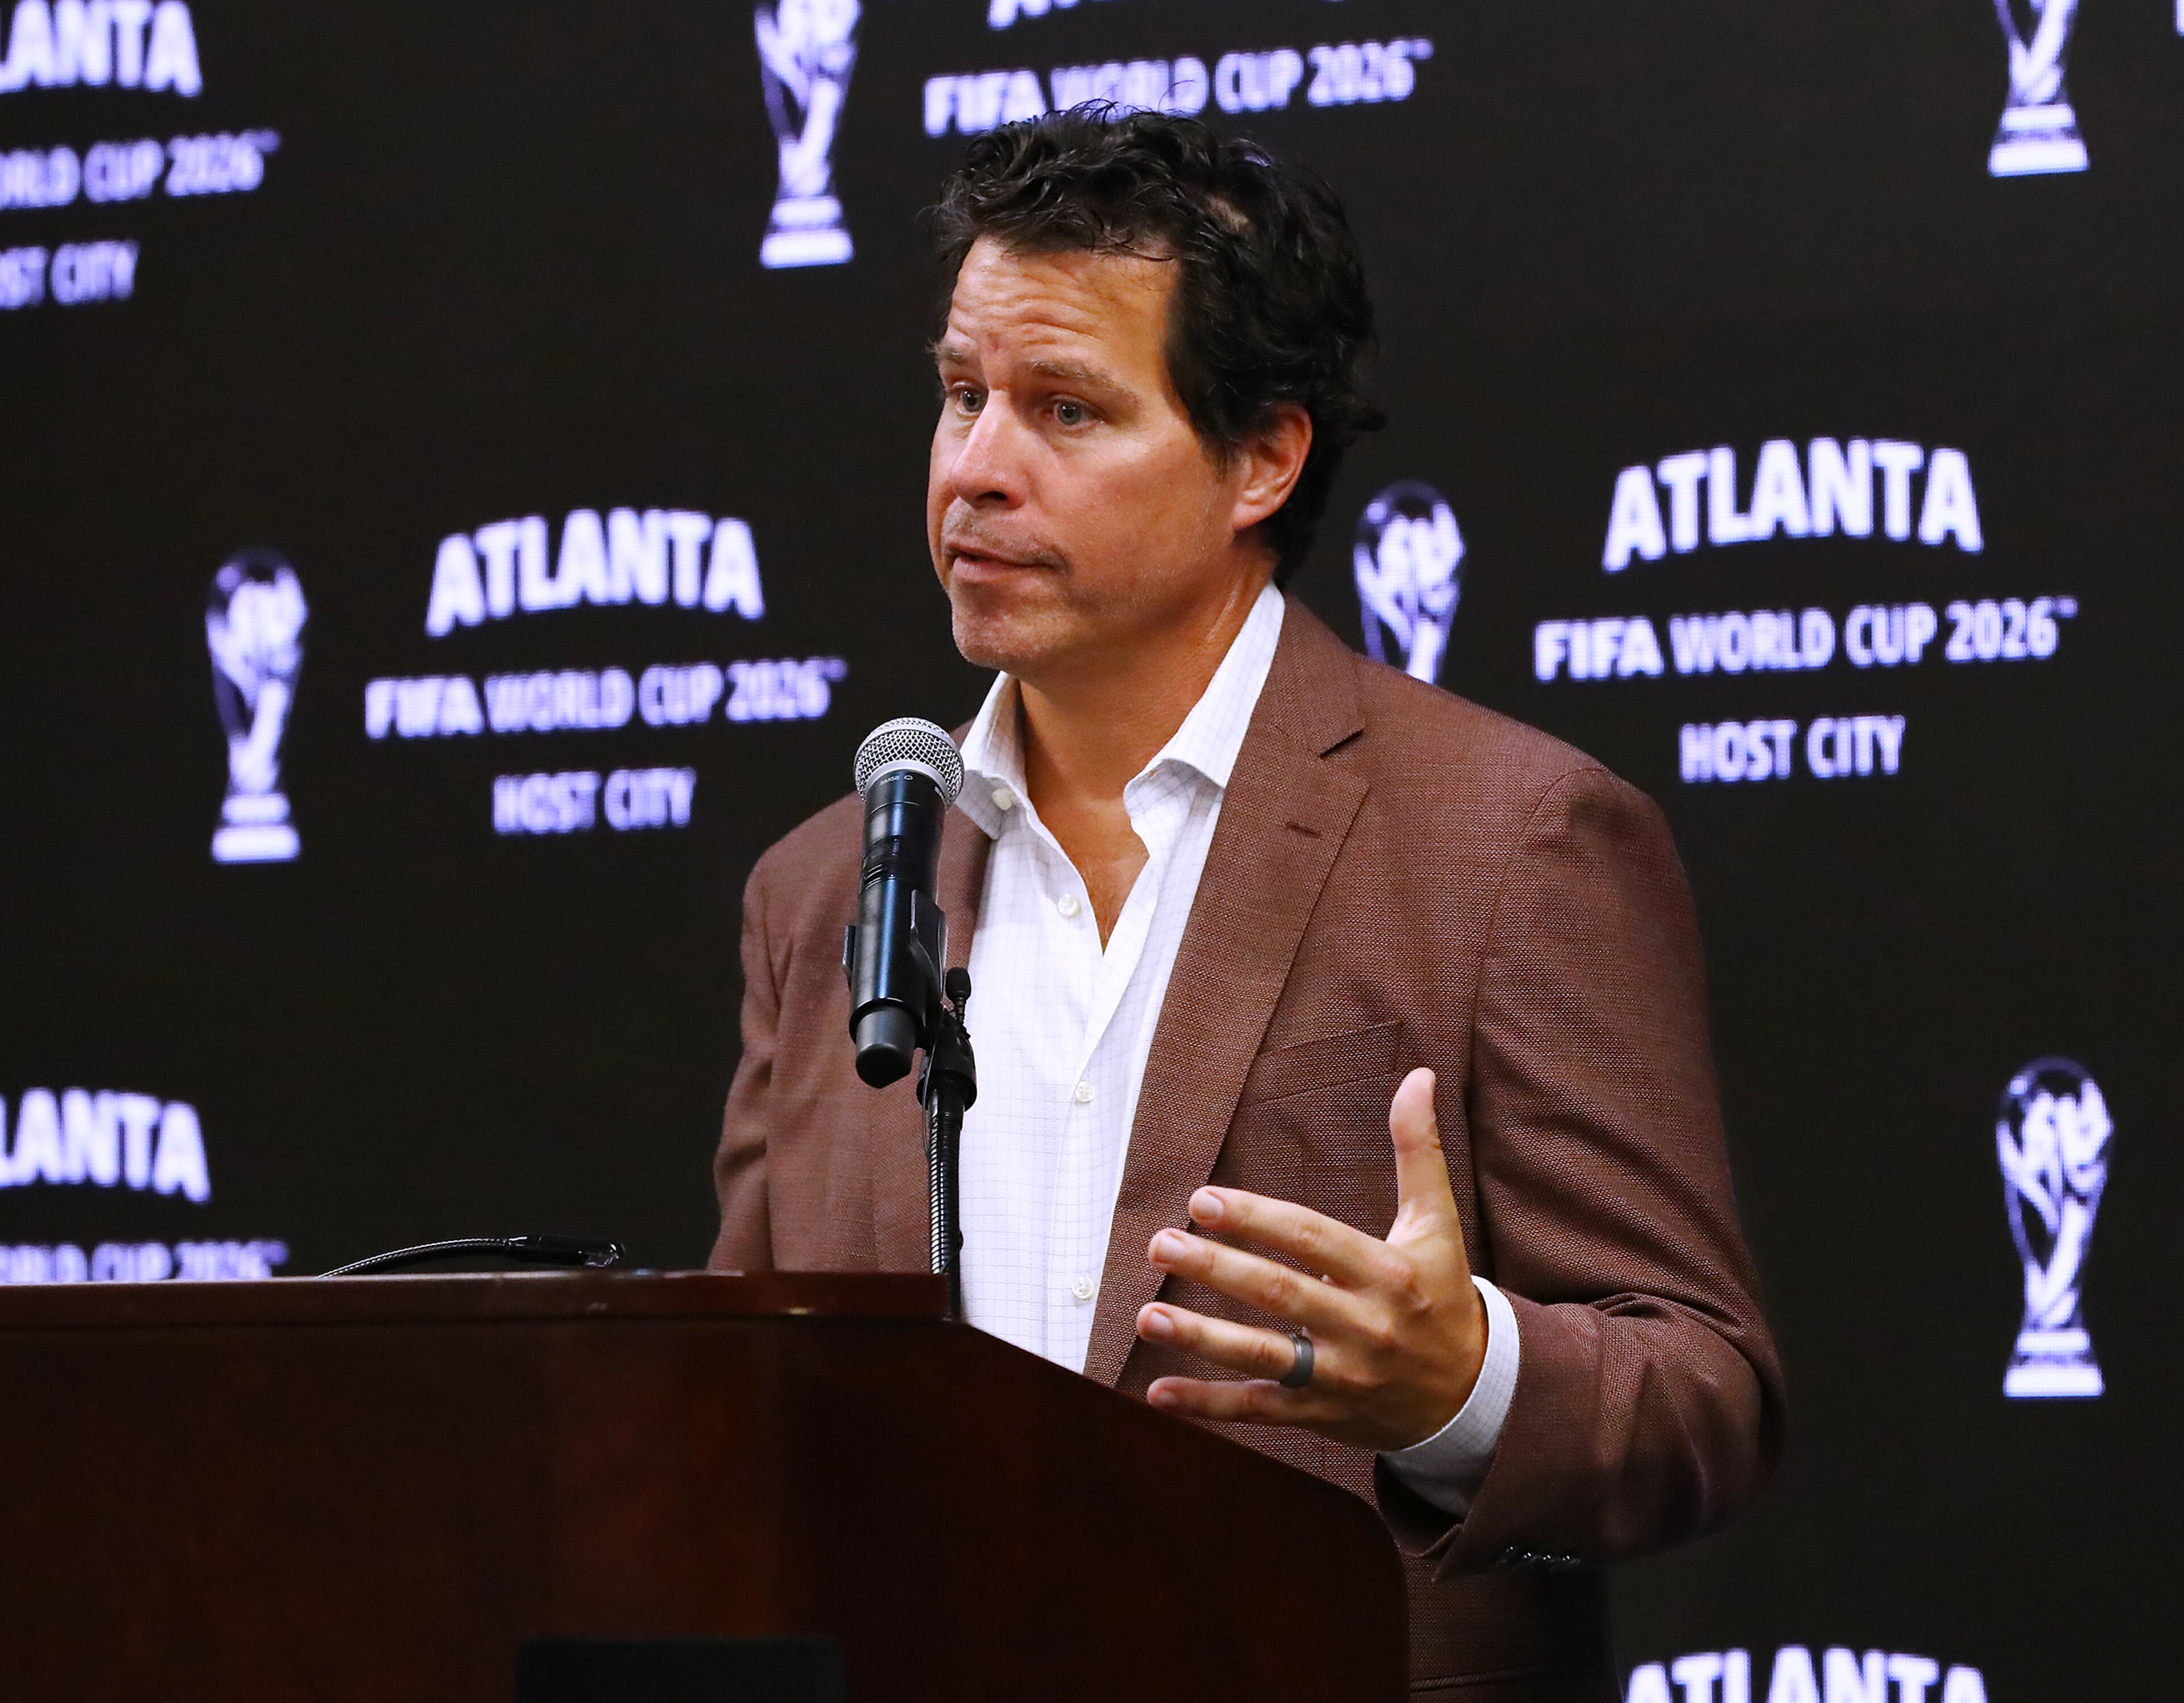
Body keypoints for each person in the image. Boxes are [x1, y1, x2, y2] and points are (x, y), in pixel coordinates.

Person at [711, 109, 1785, 1696]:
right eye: (961, 396)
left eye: (1066, 409)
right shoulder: (831, 885)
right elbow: (743, 1407)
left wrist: (1460, 1377)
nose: (977, 467)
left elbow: (1705, 1394)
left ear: (1263, 457)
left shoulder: (1512, 837)